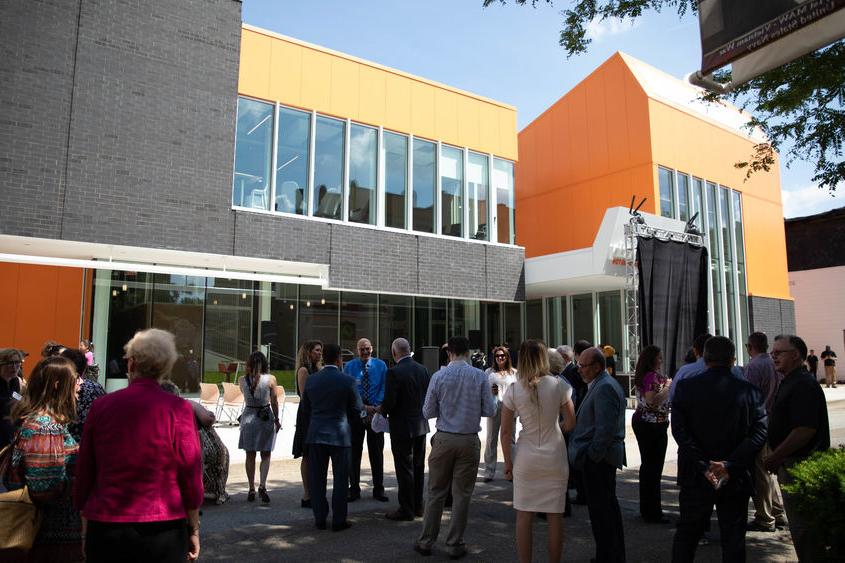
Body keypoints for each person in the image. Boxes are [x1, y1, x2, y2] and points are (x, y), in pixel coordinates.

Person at [74, 328, 202, 562]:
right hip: (163, 526)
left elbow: (85, 471)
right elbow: (190, 473)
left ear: (131, 365)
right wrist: (193, 528)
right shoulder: (178, 409)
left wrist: (84, 530)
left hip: (106, 524)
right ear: (165, 368)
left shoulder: (101, 407)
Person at [670, 336, 767, 563]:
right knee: (733, 539)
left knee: (687, 536)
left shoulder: (686, 387)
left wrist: (705, 465)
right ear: (733, 360)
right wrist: (729, 464)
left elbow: (680, 432)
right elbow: (759, 433)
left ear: (705, 359)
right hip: (734, 475)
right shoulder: (751, 392)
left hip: (697, 474)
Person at [415, 336, 497, 559]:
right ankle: (453, 543)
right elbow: (490, 411)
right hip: (469, 439)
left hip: (444, 438)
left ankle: (426, 541)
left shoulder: (439, 376)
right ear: (468, 352)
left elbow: (427, 411)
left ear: (449, 352)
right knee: (462, 495)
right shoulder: (480, 376)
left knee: (435, 492)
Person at [501, 340, 575, 563]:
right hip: (554, 455)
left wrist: (507, 463)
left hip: (526, 457)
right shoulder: (558, 385)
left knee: (523, 516)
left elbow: (505, 433)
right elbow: (571, 422)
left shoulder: (514, 389)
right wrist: (557, 430)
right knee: (555, 516)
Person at [3, 356, 82, 562]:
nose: (80, 383)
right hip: (48, 536)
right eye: (76, 379)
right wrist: (83, 481)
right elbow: (44, 488)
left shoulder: (39, 421)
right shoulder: (46, 427)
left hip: (45, 535)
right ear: (58, 385)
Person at [765, 334, 831, 562]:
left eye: (778, 353)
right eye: (772, 353)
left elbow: (804, 430)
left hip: (800, 464)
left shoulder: (803, 384)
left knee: (806, 531)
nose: (773, 357)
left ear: (795, 355)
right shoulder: (790, 380)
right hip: (789, 463)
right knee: (800, 530)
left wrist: (776, 456)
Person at [567, 347, 627, 563]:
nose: (579, 370)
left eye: (583, 366)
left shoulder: (604, 388)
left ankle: (609, 556)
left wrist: (592, 457)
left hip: (599, 461)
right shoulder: (600, 385)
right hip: (598, 459)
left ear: (597, 367)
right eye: (579, 365)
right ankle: (609, 554)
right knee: (603, 512)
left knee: (604, 513)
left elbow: (605, 429)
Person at [301, 343, 363, 532]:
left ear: (323, 358)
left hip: (317, 433)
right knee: (341, 479)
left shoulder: (311, 381)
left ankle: (320, 518)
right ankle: (338, 519)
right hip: (340, 434)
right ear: (339, 359)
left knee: (317, 479)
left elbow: (306, 408)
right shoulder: (348, 381)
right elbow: (357, 408)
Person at [381, 338, 430, 521]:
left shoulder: (393, 372)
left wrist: (381, 411)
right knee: (418, 467)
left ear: (394, 353)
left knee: (404, 469)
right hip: (420, 426)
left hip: (402, 427)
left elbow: (390, 402)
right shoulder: (423, 369)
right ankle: (418, 505)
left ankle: (406, 509)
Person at [160, 381, 230, 504]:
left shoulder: (162, 410)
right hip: (205, 448)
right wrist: (211, 416)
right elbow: (207, 419)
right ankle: (214, 492)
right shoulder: (187, 403)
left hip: (191, 448)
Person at [743, 332, 785, 532]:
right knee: (767, 471)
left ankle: (765, 518)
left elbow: (749, 396)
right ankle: (777, 512)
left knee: (760, 473)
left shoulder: (753, 366)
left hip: (759, 422)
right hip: (774, 420)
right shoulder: (774, 363)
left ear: (750, 347)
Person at [343, 337, 388, 502]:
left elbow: (385, 386)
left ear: (372, 349)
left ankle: (379, 489)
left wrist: (377, 406)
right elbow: (348, 389)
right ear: (357, 350)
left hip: (376, 412)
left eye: (367, 348)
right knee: (354, 453)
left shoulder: (381, 366)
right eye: (362, 349)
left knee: (377, 453)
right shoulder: (349, 367)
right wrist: (362, 407)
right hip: (356, 413)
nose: (365, 352)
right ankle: (353, 489)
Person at [631, 345, 672, 524]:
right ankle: (652, 511)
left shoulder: (644, 375)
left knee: (648, 467)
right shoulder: (652, 377)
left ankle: (648, 508)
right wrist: (668, 387)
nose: (661, 361)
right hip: (652, 424)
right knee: (653, 468)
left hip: (646, 423)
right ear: (652, 359)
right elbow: (652, 400)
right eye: (659, 357)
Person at [238, 350, 281, 504]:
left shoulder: (242, 380)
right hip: (265, 417)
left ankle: (251, 488)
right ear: (264, 364)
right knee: (266, 454)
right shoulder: (271, 379)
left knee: (250, 455)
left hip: (248, 416)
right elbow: (274, 401)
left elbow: (244, 392)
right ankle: (262, 485)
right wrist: (277, 419)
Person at [292, 340, 323, 509]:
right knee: (307, 454)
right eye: (317, 350)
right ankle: (307, 493)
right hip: (307, 414)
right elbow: (305, 396)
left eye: (321, 350)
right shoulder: (304, 370)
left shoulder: (319, 369)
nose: (319, 353)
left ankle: (315, 490)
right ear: (308, 352)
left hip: (318, 413)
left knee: (316, 454)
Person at [482, 345, 517, 482]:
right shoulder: (489, 372)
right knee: (491, 439)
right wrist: (491, 393)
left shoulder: (514, 373)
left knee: (511, 440)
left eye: (502, 355)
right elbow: (484, 391)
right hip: (494, 408)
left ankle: (511, 470)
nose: (500, 358)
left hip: (510, 409)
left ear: (507, 357)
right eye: (497, 356)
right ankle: (489, 471)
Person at [58, 347, 106, 445]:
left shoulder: (58, 388)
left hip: (63, 448)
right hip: (89, 445)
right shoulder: (96, 388)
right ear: (84, 369)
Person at [0, 348, 24, 450]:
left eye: (17, 362)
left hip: (12, 431)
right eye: (10, 363)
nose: (15, 367)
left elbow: (19, 398)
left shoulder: (17, 381)